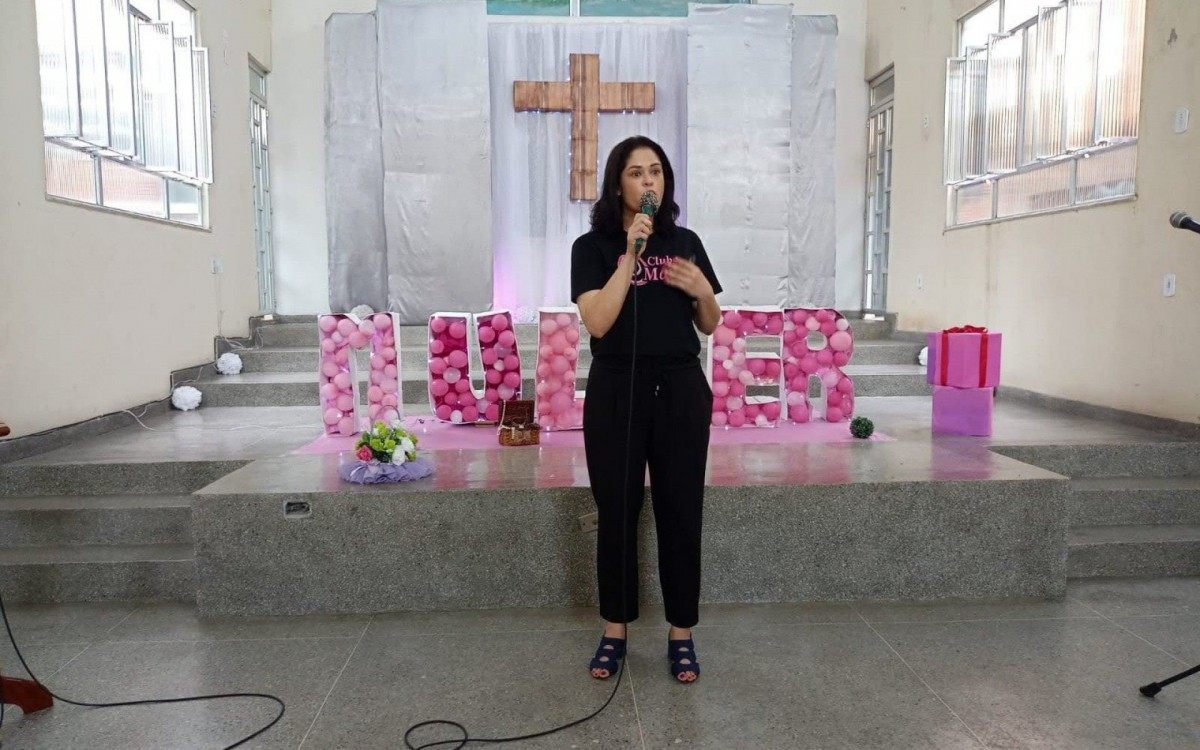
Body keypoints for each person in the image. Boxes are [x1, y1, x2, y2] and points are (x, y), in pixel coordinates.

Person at [570, 136, 722, 684]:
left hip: (680, 388)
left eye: (656, 171)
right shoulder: (591, 247)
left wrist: (704, 289)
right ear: (618, 185)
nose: (648, 181)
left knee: (682, 511)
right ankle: (615, 629)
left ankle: (681, 634)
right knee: (618, 512)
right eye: (636, 173)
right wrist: (629, 257)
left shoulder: (686, 241)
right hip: (617, 389)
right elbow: (600, 322)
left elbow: (708, 323)